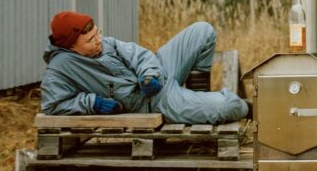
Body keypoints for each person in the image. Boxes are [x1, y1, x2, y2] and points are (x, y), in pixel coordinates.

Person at [41, 11, 249, 125]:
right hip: (154, 101)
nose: (99, 40)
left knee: (203, 31)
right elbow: (52, 105)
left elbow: (138, 54)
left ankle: (197, 97)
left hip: (158, 74)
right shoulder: (59, 70)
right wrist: (92, 102)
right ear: (70, 46)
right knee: (229, 106)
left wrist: (149, 73)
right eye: (90, 39)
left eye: (98, 33)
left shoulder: (104, 43)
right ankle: (245, 107)